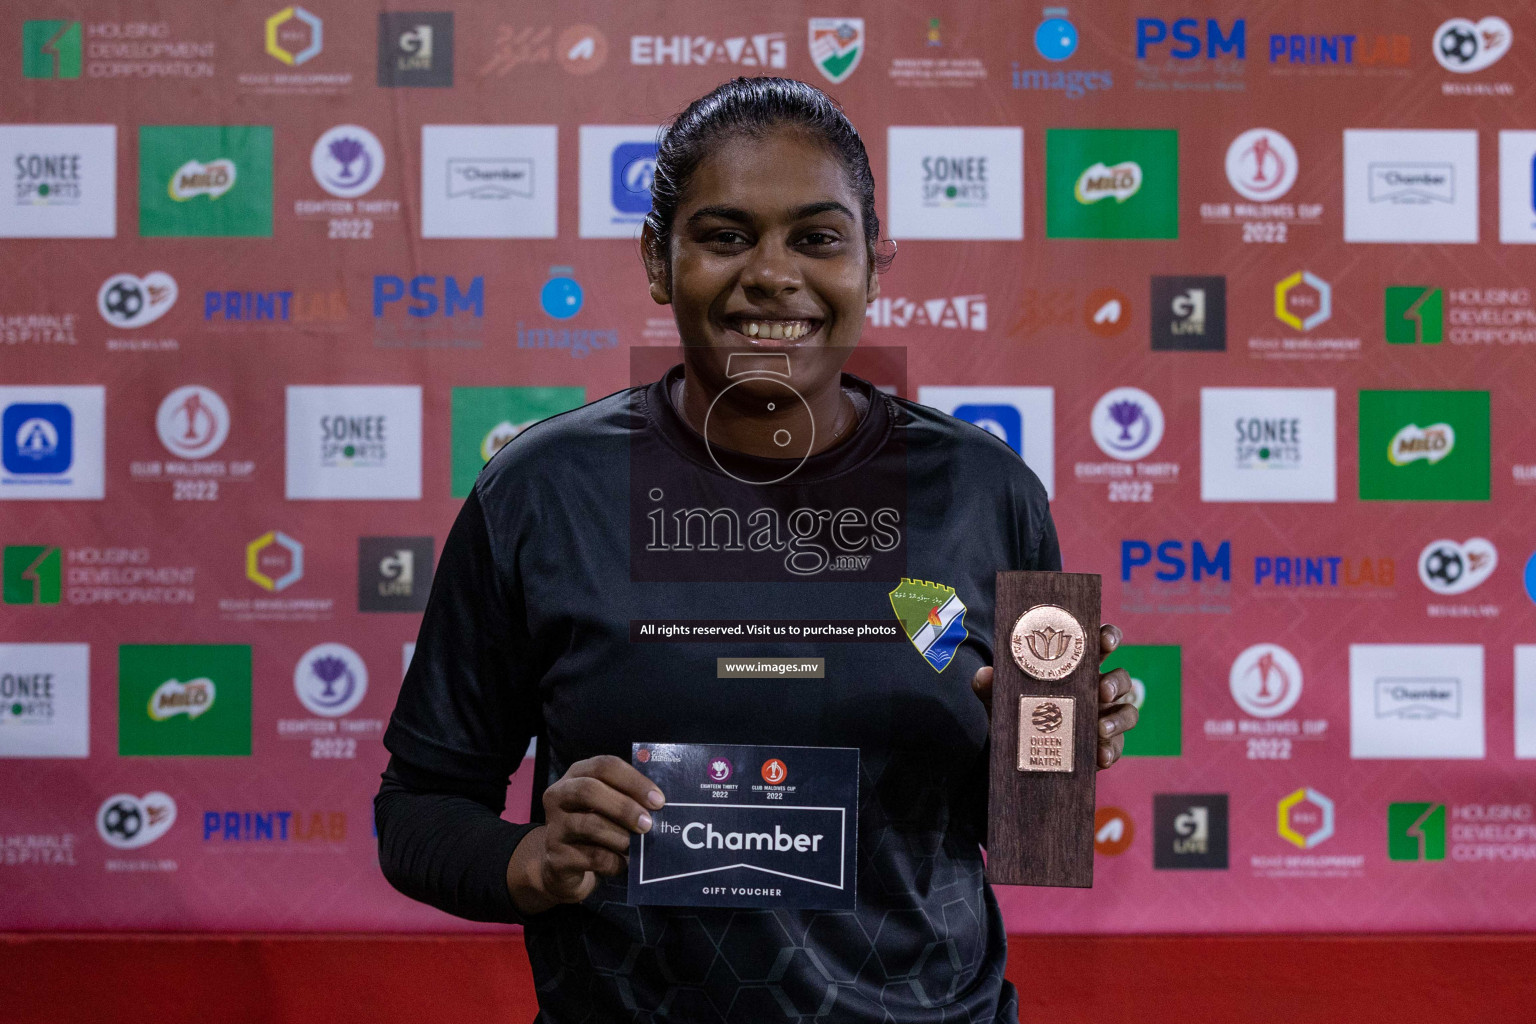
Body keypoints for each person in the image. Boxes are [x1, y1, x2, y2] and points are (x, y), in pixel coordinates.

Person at [375, 76, 1138, 1023]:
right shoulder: (542, 492)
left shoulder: (986, 493)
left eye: (817, 237)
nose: (772, 273)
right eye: (726, 235)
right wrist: (527, 861)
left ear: (872, 261)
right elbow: (416, 809)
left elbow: (1032, 831)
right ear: (659, 261)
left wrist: (1052, 760)